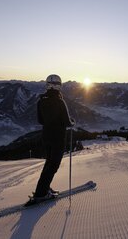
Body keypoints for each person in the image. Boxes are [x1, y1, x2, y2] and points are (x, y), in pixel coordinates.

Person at [30, 74, 75, 202]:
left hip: (46, 137)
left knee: (48, 163)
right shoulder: (60, 102)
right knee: (53, 165)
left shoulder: (41, 101)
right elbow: (67, 122)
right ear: (59, 86)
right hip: (58, 138)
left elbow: (40, 120)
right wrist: (72, 122)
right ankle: (41, 193)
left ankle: (43, 188)